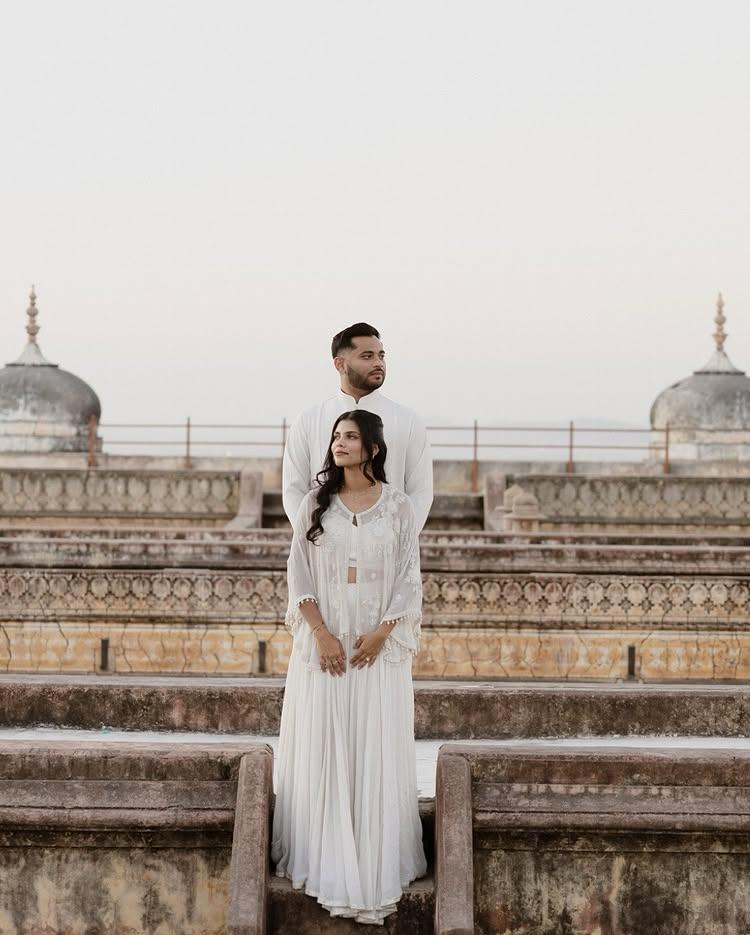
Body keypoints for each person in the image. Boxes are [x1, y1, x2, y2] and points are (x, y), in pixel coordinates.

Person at [272, 409, 427, 925]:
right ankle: (326, 858)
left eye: (352, 436)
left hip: (376, 653)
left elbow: (409, 576)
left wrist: (384, 632)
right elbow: (299, 575)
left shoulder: (399, 506)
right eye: (337, 436)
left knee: (374, 746)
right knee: (326, 744)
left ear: (374, 448)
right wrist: (320, 635)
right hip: (325, 653)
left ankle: (372, 861)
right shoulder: (315, 504)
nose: (340, 443)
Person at [282, 322, 433, 531]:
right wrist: (313, 538)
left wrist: (400, 543)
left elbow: (421, 491)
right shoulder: (309, 420)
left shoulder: (407, 420)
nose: (378, 363)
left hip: (387, 548)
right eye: (367, 356)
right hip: (325, 547)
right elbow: (294, 490)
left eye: (381, 355)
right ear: (340, 364)